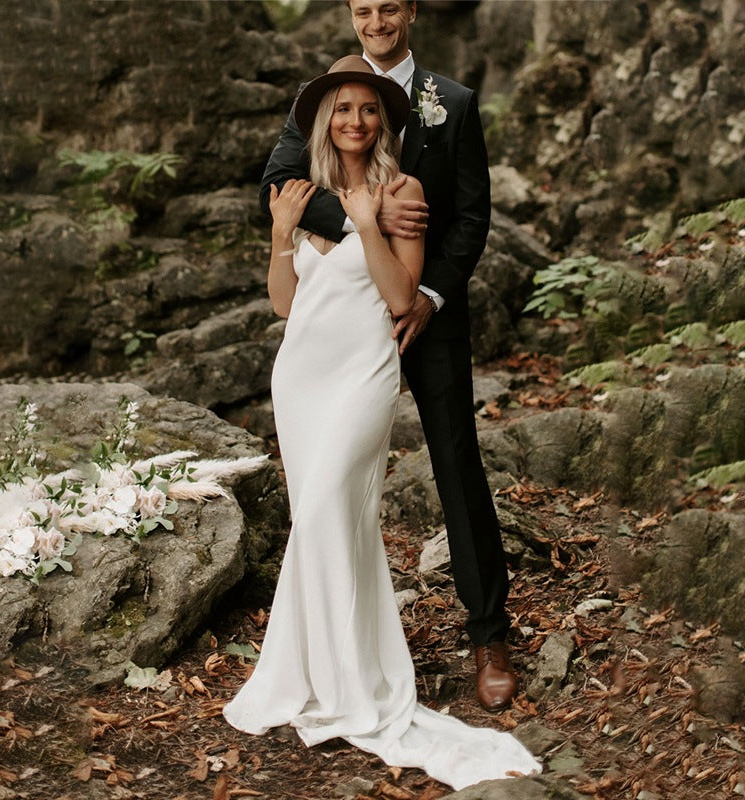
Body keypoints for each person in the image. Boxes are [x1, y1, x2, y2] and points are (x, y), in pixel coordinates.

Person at [223, 55, 540, 790]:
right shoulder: (307, 170)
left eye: (367, 110)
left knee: (377, 486)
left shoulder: (429, 143)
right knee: (319, 517)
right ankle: (321, 666)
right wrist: (286, 230)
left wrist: (383, 238)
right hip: (303, 372)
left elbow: (457, 230)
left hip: (376, 355)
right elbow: (282, 291)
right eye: (343, 112)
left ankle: (473, 641)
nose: (355, 120)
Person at [259, 0, 517, 712]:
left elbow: (471, 214)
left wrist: (430, 293)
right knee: (328, 481)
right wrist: (359, 216)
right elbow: (277, 184)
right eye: (363, 9)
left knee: (457, 461)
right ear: (351, 15)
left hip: (421, 315)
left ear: (410, 12)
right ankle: (333, 645)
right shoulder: (324, 98)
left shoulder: (452, 103)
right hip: (340, 327)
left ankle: (490, 632)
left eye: (388, 8)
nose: (376, 21)